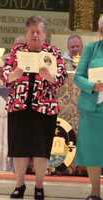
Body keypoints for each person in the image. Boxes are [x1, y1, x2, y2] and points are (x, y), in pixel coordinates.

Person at [0, 16, 67, 200]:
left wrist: (50, 77)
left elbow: (61, 78)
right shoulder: (17, 51)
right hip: (19, 106)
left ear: (45, 34)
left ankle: (39, 186)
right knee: (19, 149)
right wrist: (14, 74)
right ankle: (19, 185)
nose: (35, 35)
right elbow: (4, 75)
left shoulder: (53, 53)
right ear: (26, 34)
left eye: (39, 32)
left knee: (40, 149)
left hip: (44, 109)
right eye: (32, 32)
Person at [73, 16, 103, 200]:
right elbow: (78, 77)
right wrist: (93, 85)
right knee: (92, 153)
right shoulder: (91, 49)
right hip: (93, 109)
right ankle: (94, 193)